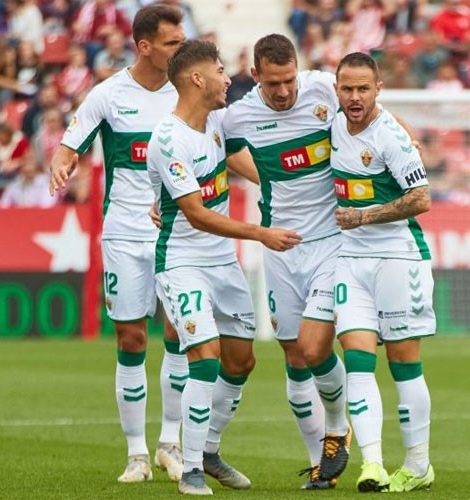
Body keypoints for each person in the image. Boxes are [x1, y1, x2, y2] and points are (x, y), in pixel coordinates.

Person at [48, 4, 201, 484]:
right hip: (125, 234)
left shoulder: (190, 93)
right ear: (144, 47)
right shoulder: (109, 95)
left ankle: (169, 444)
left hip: (177, 234)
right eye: (173, 44)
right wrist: (62, 159)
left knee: (179, 334)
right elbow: (70, 142)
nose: (181, 50)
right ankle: (136, 453)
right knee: (132, 338)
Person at [147, 39, 302, 495]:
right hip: (182, 262)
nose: (227, 77)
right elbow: (195, 213)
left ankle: (209, 450)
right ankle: (189, 468)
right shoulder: (168, 138)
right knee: (205, 357)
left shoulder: (217, 121)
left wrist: (288, 184)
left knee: (242, 359)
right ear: (197, 78)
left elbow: (240, 157)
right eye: (219, 69)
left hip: (220, 261)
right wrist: (260, 233)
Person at [219, 33, 352, 490]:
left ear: (299, 70)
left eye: (289, 79)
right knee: (293, 354)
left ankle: (338, 430)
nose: (283, 91)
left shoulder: (322, 88)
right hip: (280, 247)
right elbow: (208, 149)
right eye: (273, 82)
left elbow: (370, 115)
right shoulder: (237, 116)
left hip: (332, 242)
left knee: (316, 350)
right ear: (255, 76)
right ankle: (321, 464)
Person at [330, 52, 435, 493]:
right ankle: (371, 463)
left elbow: (421, 199)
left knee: (403, 364)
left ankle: (418, 465)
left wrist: (364, 216)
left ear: (378, 90)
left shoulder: (390, 135)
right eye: (347, 89)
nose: (354, 97)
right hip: (350, 262)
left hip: (398, 257)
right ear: (336, 89)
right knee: (357, 362)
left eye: (363, 89)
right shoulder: (332, 121)